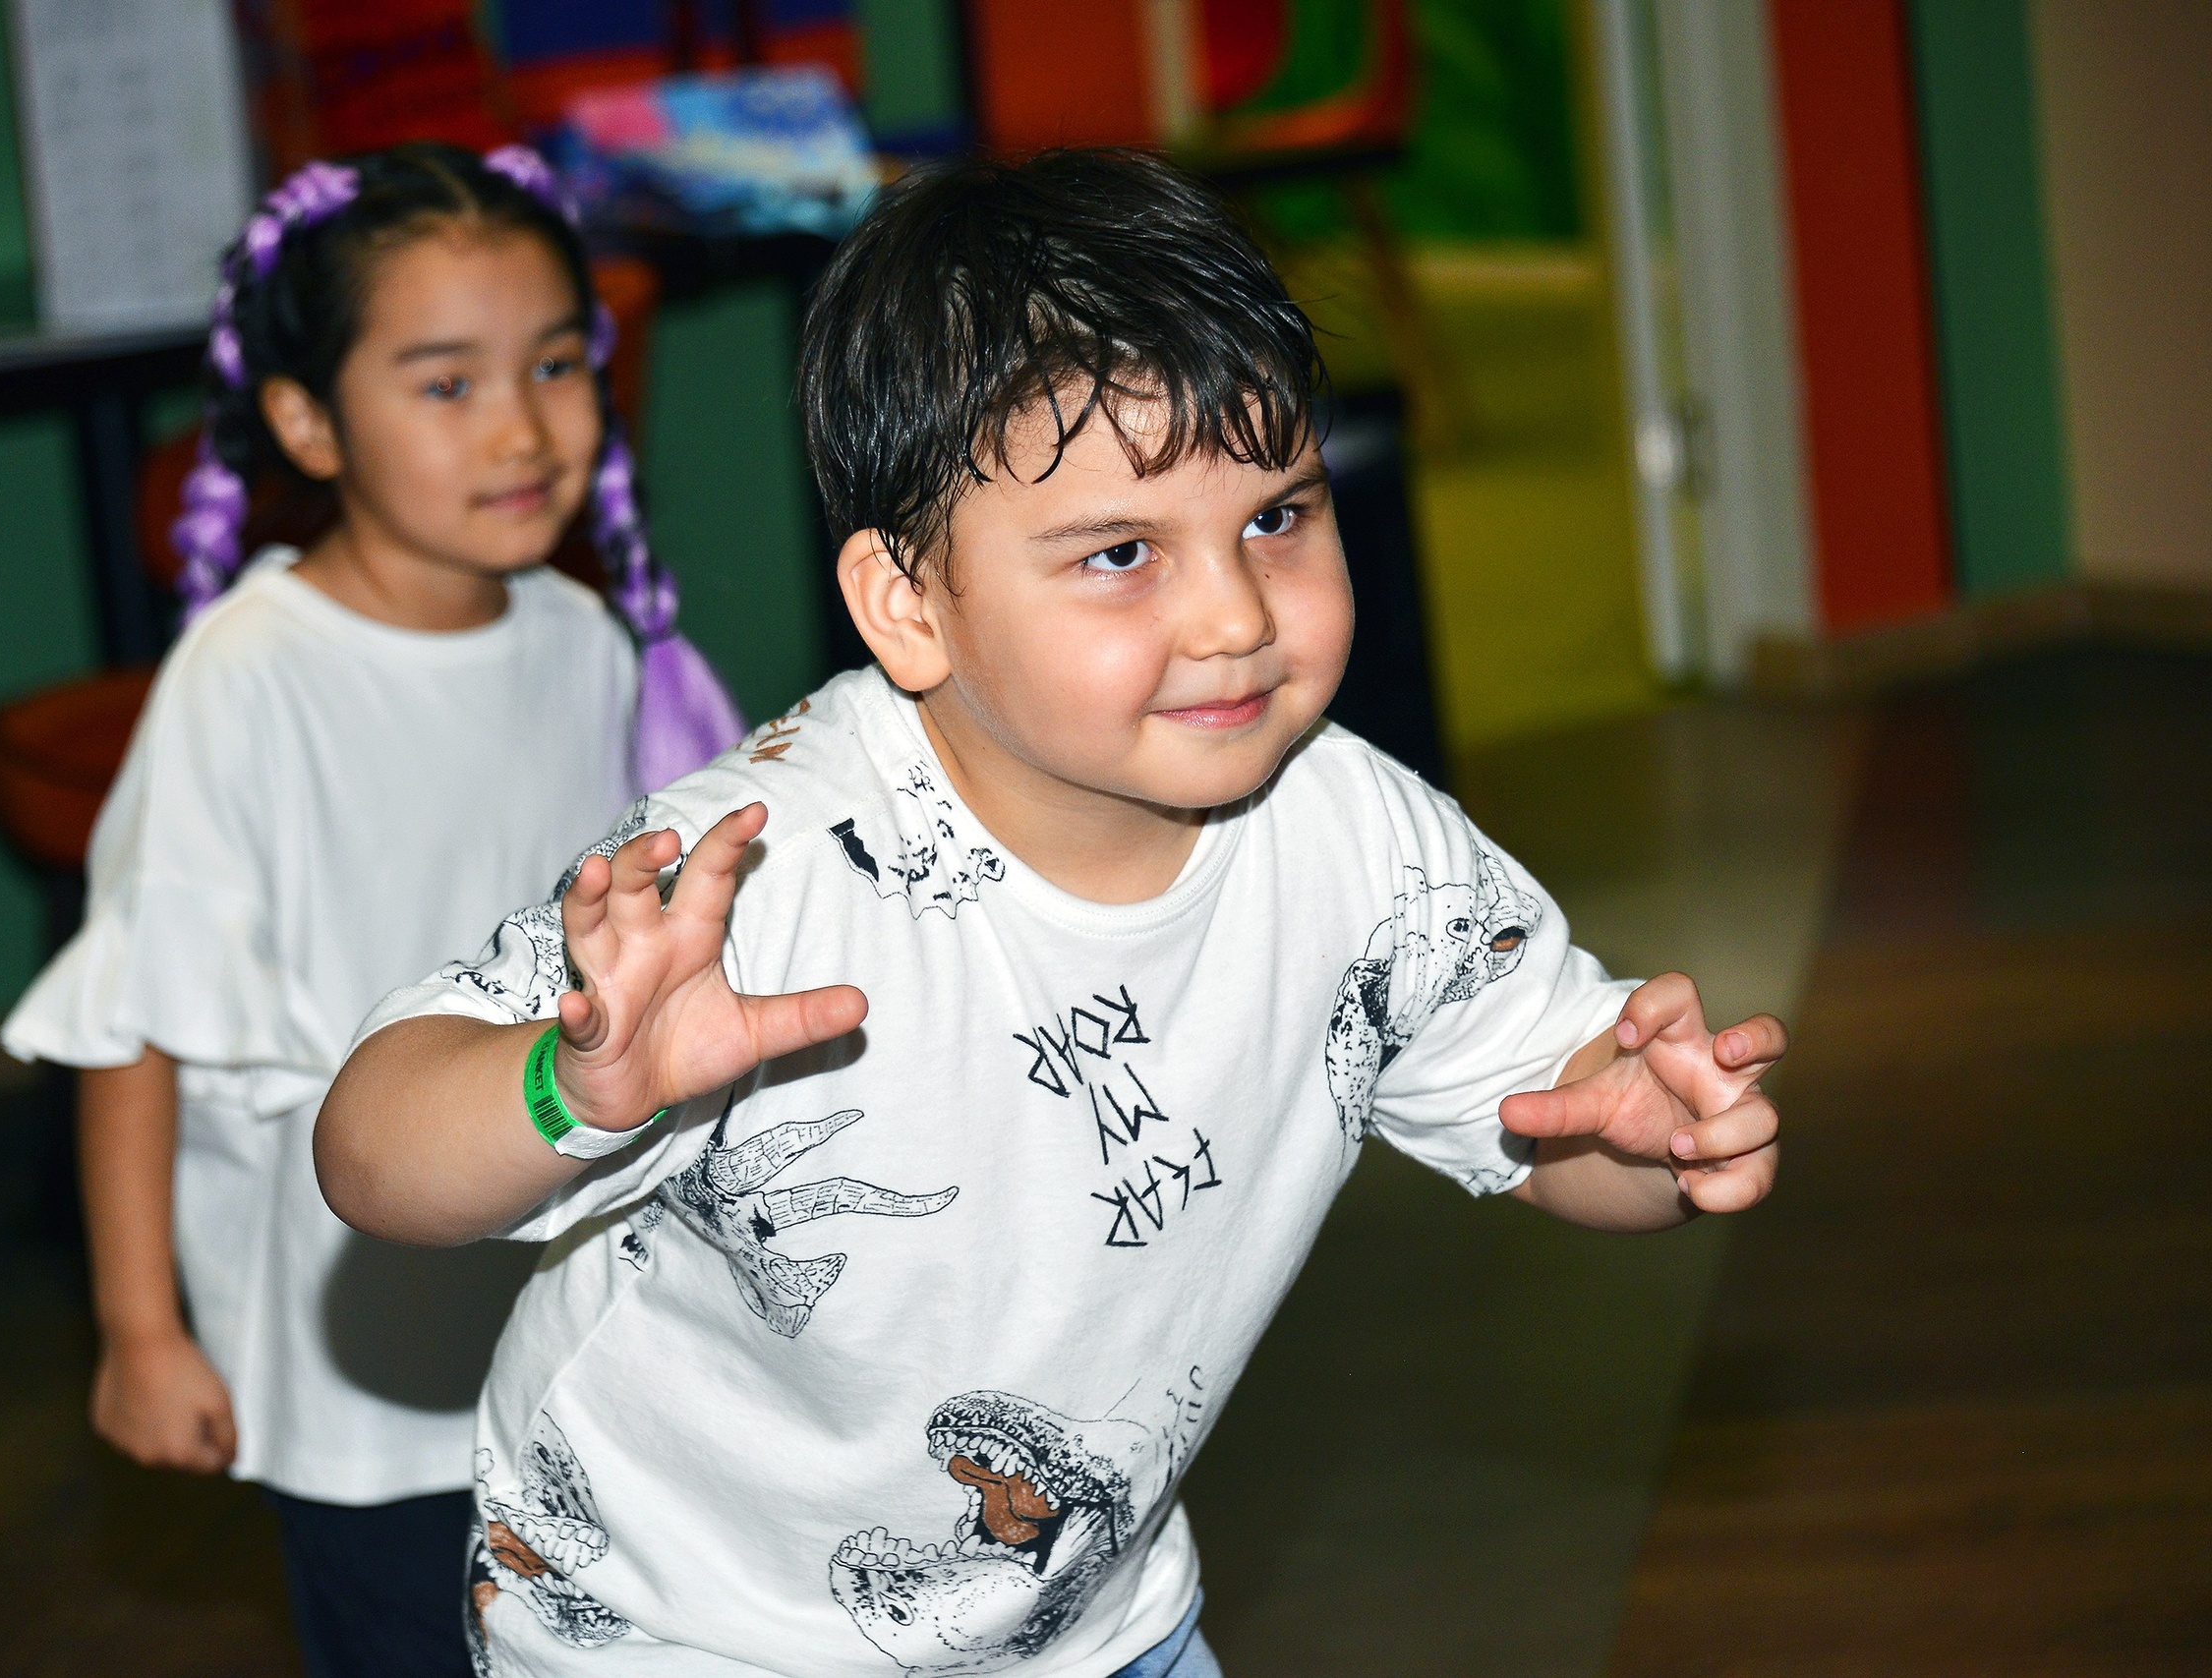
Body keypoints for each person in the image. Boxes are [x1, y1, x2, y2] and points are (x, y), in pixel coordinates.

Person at [315, 149, 1784, 1678]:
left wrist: (1646, 1144)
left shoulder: (1361, 842)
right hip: (677, 1638)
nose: (1233, 616)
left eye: (1278, 517)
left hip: (1088, 1623)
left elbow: (1546, 1135)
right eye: (1123, 554)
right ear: (909, 606)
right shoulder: (756, 876)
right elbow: (370, 1151)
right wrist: (577, 1079)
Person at [0, 142, 741, 1678]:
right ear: (304, 420)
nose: (523, 426)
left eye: (553, 362)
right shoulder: (249, 676)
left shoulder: (585, 645)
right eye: (445, 382)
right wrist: (141, 1330)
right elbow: (136, 1017)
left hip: (562, 1317)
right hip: (359, 1375)